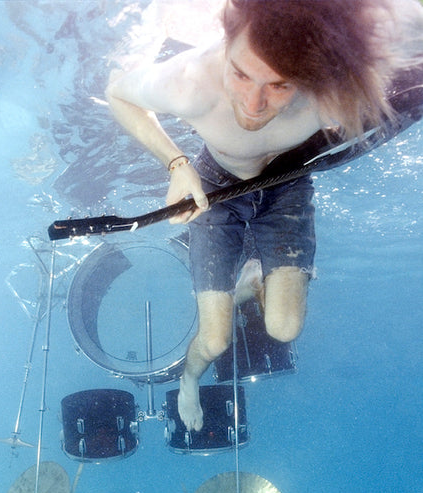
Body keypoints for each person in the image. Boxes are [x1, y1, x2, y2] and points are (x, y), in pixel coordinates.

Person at [106, 0, 423, 432]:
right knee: (215, 340)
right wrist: (176, 164)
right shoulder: (190, 83)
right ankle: (189, 380)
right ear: (226, 42)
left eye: (280, 85)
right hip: (215, 189)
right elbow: (118, 92)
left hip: (287, 186)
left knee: (284, 328)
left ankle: (254, 280)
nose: (254, 104)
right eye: (240, 73)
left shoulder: (332, 88)